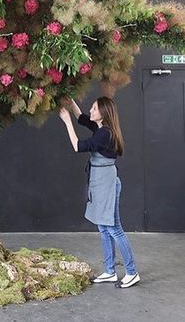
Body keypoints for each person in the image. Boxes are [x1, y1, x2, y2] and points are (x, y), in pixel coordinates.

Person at [58, 96, 140, 289]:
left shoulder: (104, 134)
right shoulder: (101, 128)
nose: (91, 111)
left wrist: (66, 121)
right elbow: (82, 118)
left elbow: (78, 146)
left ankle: (131, 271)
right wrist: (71, 103)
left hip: (107, 183)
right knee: (103, 228)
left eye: (94, 108)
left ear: (103, 114)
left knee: (114, 228)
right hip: (100, 181)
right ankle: (110, 271)